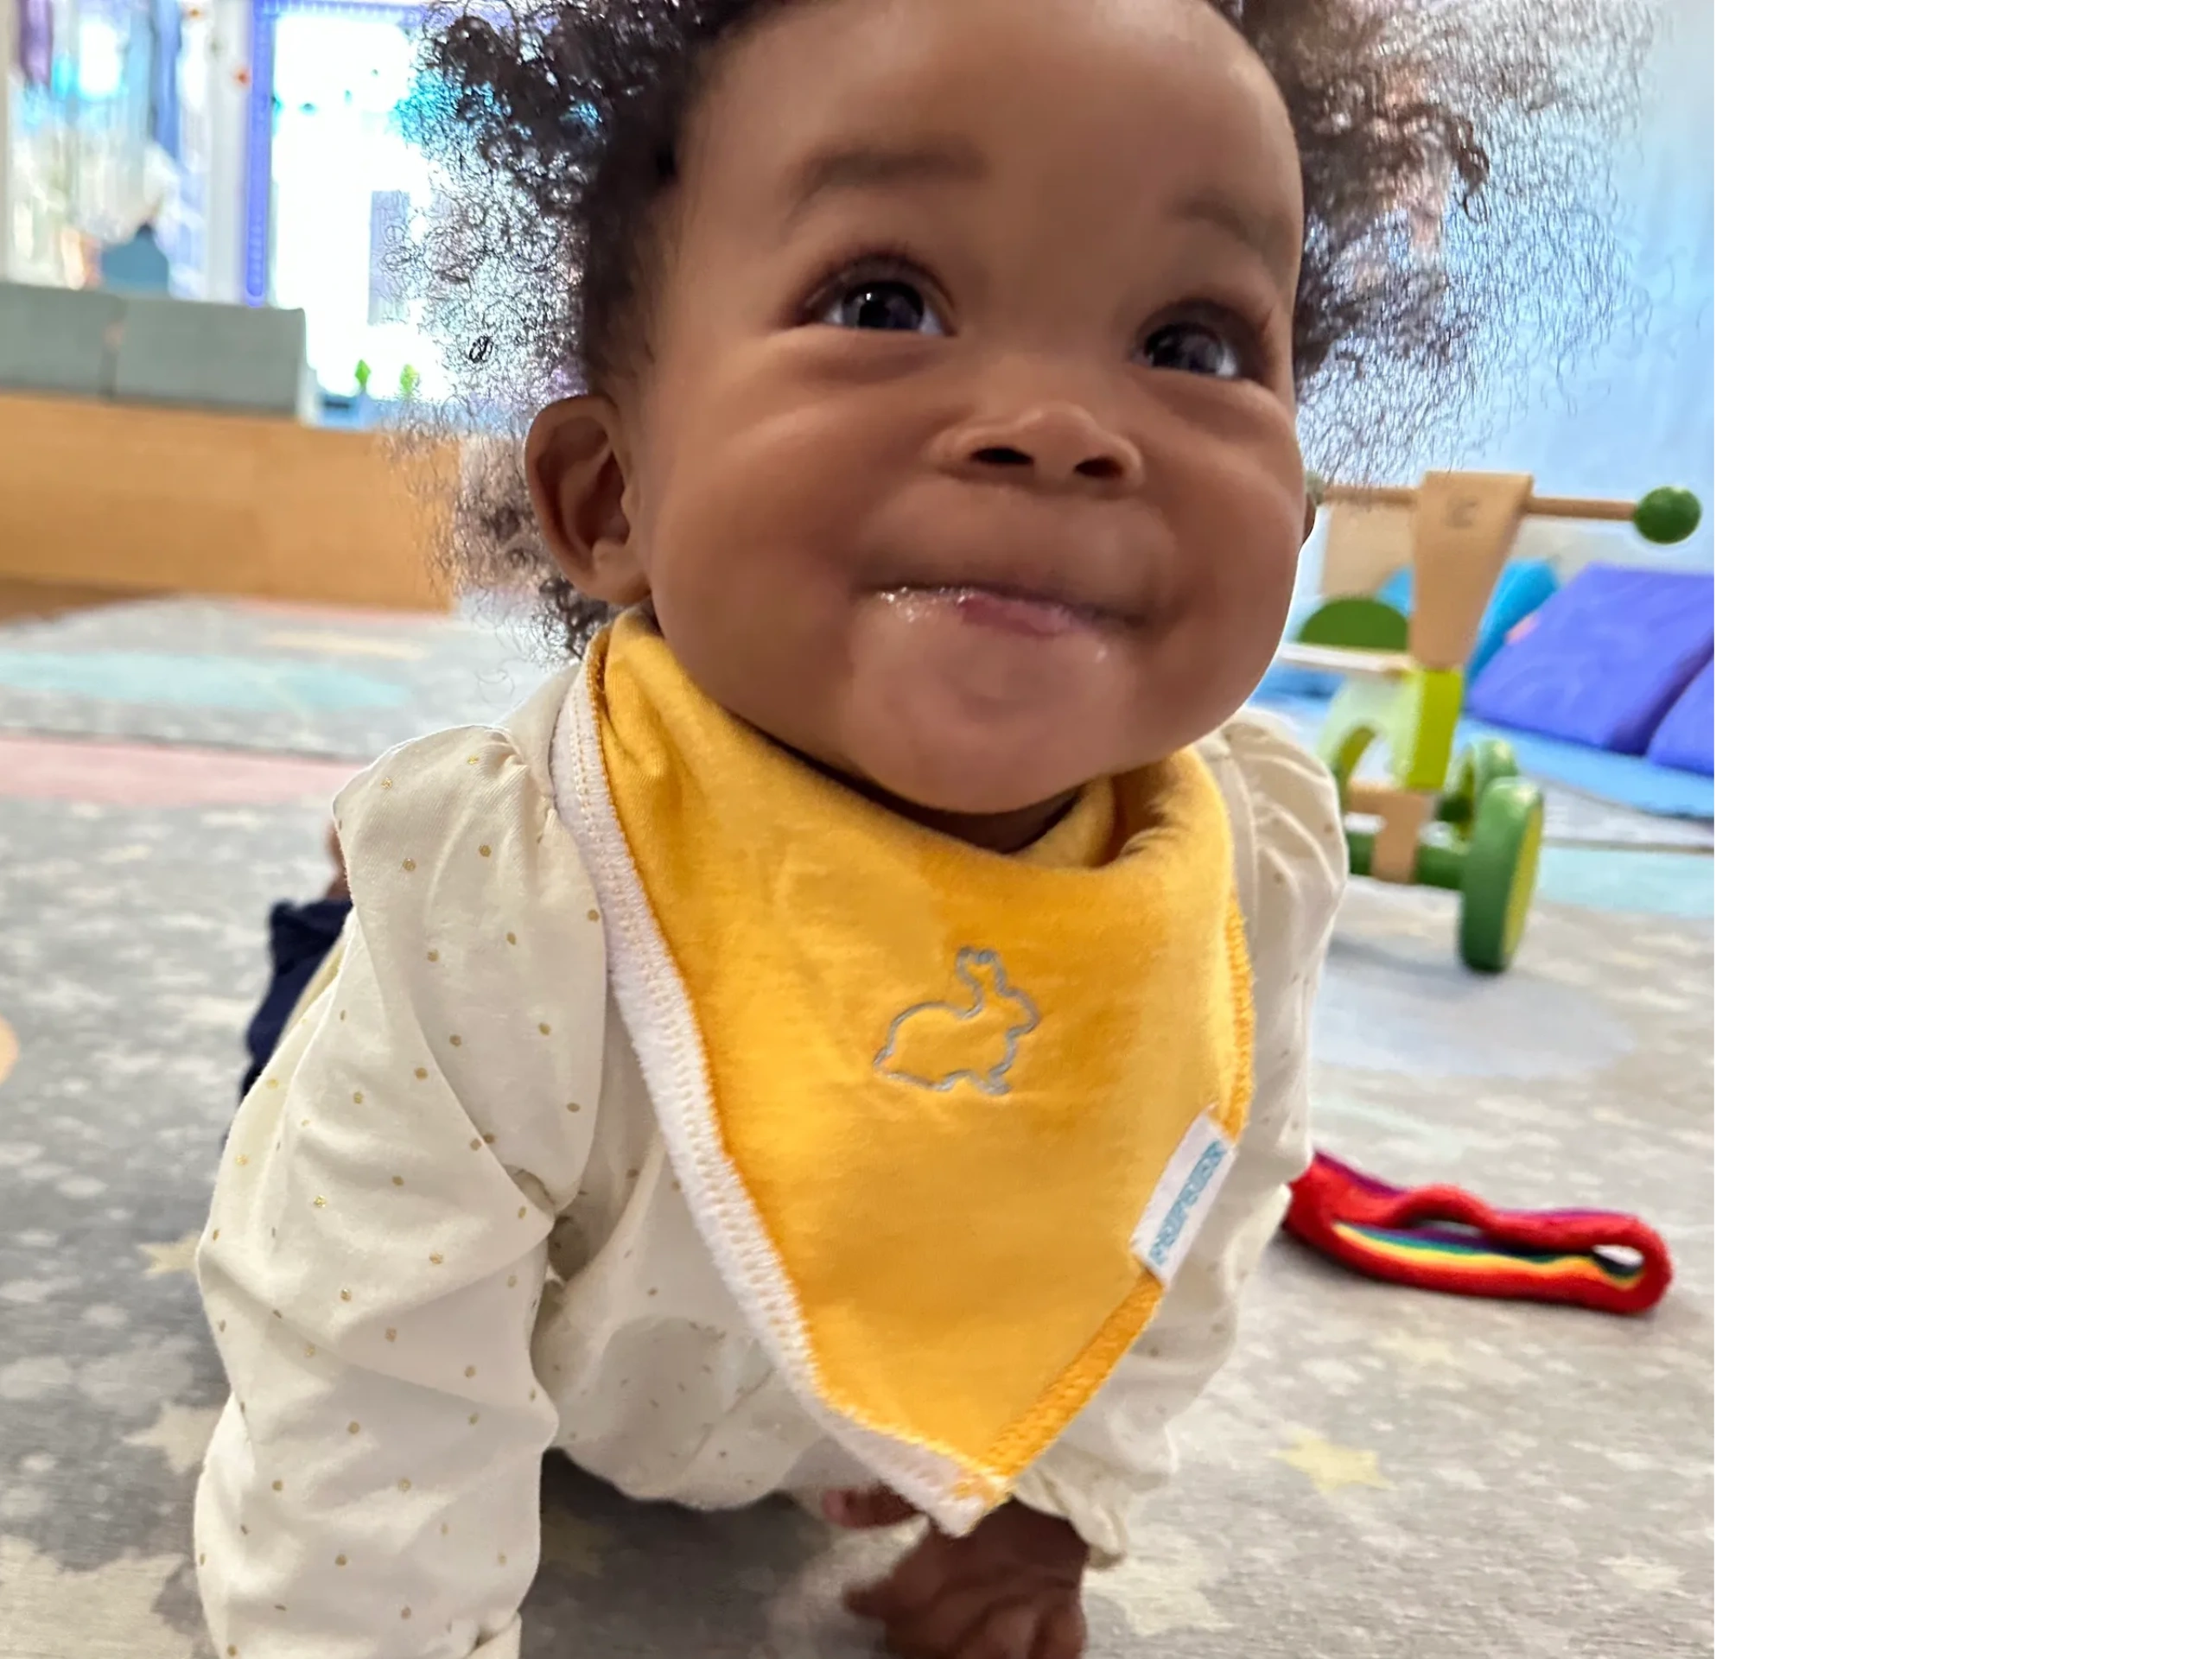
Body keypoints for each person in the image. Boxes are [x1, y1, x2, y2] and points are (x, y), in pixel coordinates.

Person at [196, 3, 1646, 1656]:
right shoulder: (515, 892)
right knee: (306, 1085)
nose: (1062, 424)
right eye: (885, 302)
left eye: (1191, 344)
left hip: (783, 1387)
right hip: (509, 1240)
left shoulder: (1243, 877)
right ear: (610, 498)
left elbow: (1196, 1205)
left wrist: (1050, 1514)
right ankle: (329, 930)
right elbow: (356, 1358)